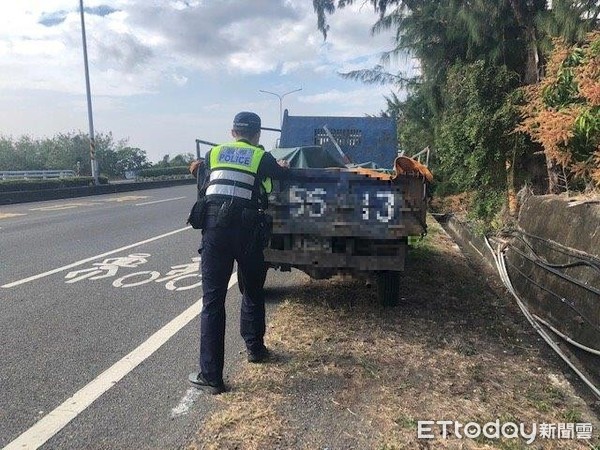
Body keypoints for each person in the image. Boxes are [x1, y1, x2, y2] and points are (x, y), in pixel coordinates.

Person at [188, 111, 289, 395]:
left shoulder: (215, 153)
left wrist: (195, 167)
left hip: (215, 231)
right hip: (248, 231)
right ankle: (255, 349)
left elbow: (200, 171)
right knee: (253, 291)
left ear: (232, 132)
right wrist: (280, 165)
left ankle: (211, 377)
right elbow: (283, 174)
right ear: (257, 135)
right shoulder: (261, 157)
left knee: (212, 302)